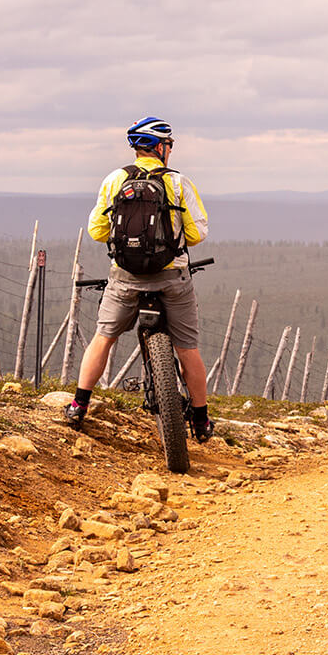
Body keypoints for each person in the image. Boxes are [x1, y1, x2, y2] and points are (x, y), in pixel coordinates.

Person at [65, 116, 213, 441]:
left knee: (104, 336)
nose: (170, 149)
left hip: (125, 278)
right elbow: (198, 232)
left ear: (136, 149)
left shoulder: (115, 180)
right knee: (188, 347)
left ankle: (79, 405)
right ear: (160, 147)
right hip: (173, 276)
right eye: (169, 144)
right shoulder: (178, 182)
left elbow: (96, 231)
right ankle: (201, 420)